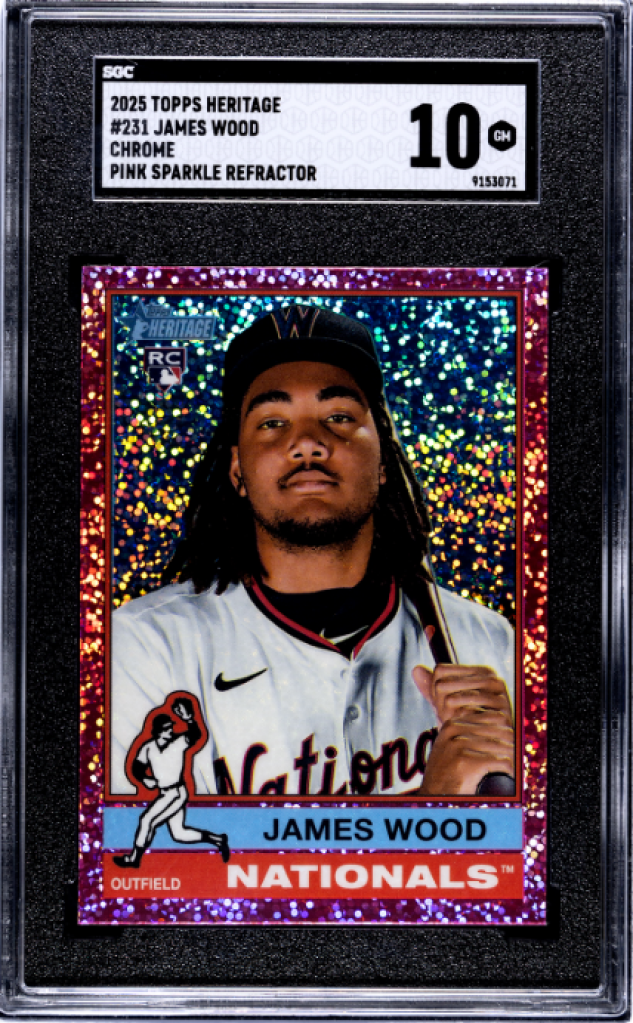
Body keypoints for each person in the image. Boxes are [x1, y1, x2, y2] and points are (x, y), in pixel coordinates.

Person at [112, 304, 515, 798]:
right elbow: (143, 848)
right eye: (272, 422)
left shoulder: (491, 645)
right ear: (237, 471)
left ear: (383, 461)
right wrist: (437, 808)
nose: (307, 443)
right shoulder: (147, 646)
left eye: (339, 417)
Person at [113, 696, 230, 868]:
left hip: (176, 793)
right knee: (179, 834)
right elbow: (136, 767)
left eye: (171, 727)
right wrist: (144, 778)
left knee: (147, 820)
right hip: (165, 793)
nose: (171, 730)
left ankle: (134, 859)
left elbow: (196, 735)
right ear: (158, 731)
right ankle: (218, 839)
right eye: (167, 728)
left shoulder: (178, 742)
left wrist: (189, 718)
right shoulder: (149, 747)